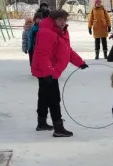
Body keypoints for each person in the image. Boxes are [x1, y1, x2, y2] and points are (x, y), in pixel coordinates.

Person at [31, 9, 87, 137]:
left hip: (50, 71)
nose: (62, 22)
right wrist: (48, 72)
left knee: (44, 97)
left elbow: (67, 50)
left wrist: (80, 62)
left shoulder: (61, 31)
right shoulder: (47, 32)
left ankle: (42, 123)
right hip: (48, 71)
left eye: (64, 19)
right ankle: (58, 128)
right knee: (54, 98)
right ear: (53, 20)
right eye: (59, 19)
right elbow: (42, 54)